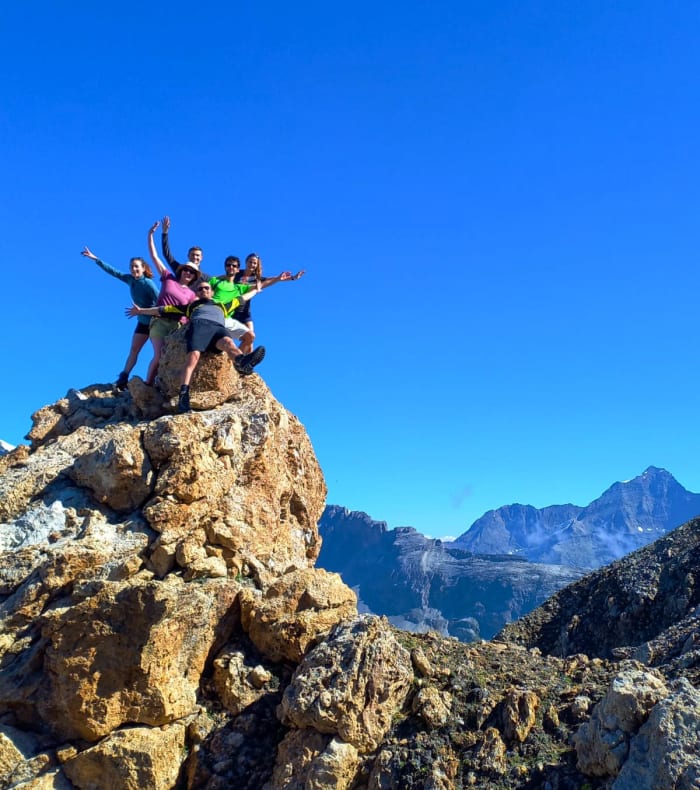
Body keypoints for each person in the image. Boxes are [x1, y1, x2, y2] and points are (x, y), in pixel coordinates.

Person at [126, 280, 268, 413]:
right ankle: (184, 394)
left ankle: (242, 362)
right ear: (197, 293)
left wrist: (257, 289)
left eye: (207, 288)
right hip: (199, 327)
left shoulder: (223, 305)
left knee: (229, 343)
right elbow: (163, 309)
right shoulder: (190, 306)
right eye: (200, 289)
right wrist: (141, 311)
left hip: (218, 329)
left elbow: (243, 297)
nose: (204, 290)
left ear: (211, 292)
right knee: (193, 358)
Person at [81, 246, 160, 390]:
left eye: (136, 267)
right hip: (142, 322)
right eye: (131, 267)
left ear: (143, 268)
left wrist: (142, 311)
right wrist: (95, 259)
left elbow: (160, 301)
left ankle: (155, 379)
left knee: (159, 352)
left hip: (155, 322)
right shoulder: (130, 280)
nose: (134, 269)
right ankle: (123, 378)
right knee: (134, 349)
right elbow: (114, 272)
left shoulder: (148, 284)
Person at [144, 220, 199, 386]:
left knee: (172, 356)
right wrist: (150, 235)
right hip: (160, 322)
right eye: (186, 270)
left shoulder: (191, 294)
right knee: (159, 355)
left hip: (177, 326)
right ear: (181, 270)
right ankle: (148, 383)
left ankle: (164, 383)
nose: (188, 273)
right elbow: (155, 257)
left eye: (192, 272)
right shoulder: (168, 278)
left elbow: (191, 312)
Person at [210, 256, 303, 353]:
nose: (252, 265)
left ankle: (241, 363)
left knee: (251, 339)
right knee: (228, 337)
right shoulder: (236, 273)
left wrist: (290, 278)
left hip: (245, 311)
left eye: (255, 263)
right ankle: (234, 358)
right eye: (250, 262)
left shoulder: (257, 278)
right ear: (246, 262)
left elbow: (269, 281)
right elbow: (222, 277)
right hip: (233, 309)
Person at [160, 215, 207, 281]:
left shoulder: (205, 277)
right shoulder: (181, 270)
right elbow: (166, 254)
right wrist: (165, 233)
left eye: (197, 255)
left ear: (201, 258)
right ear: (188, 256)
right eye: (192, 255)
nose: (195, 257)